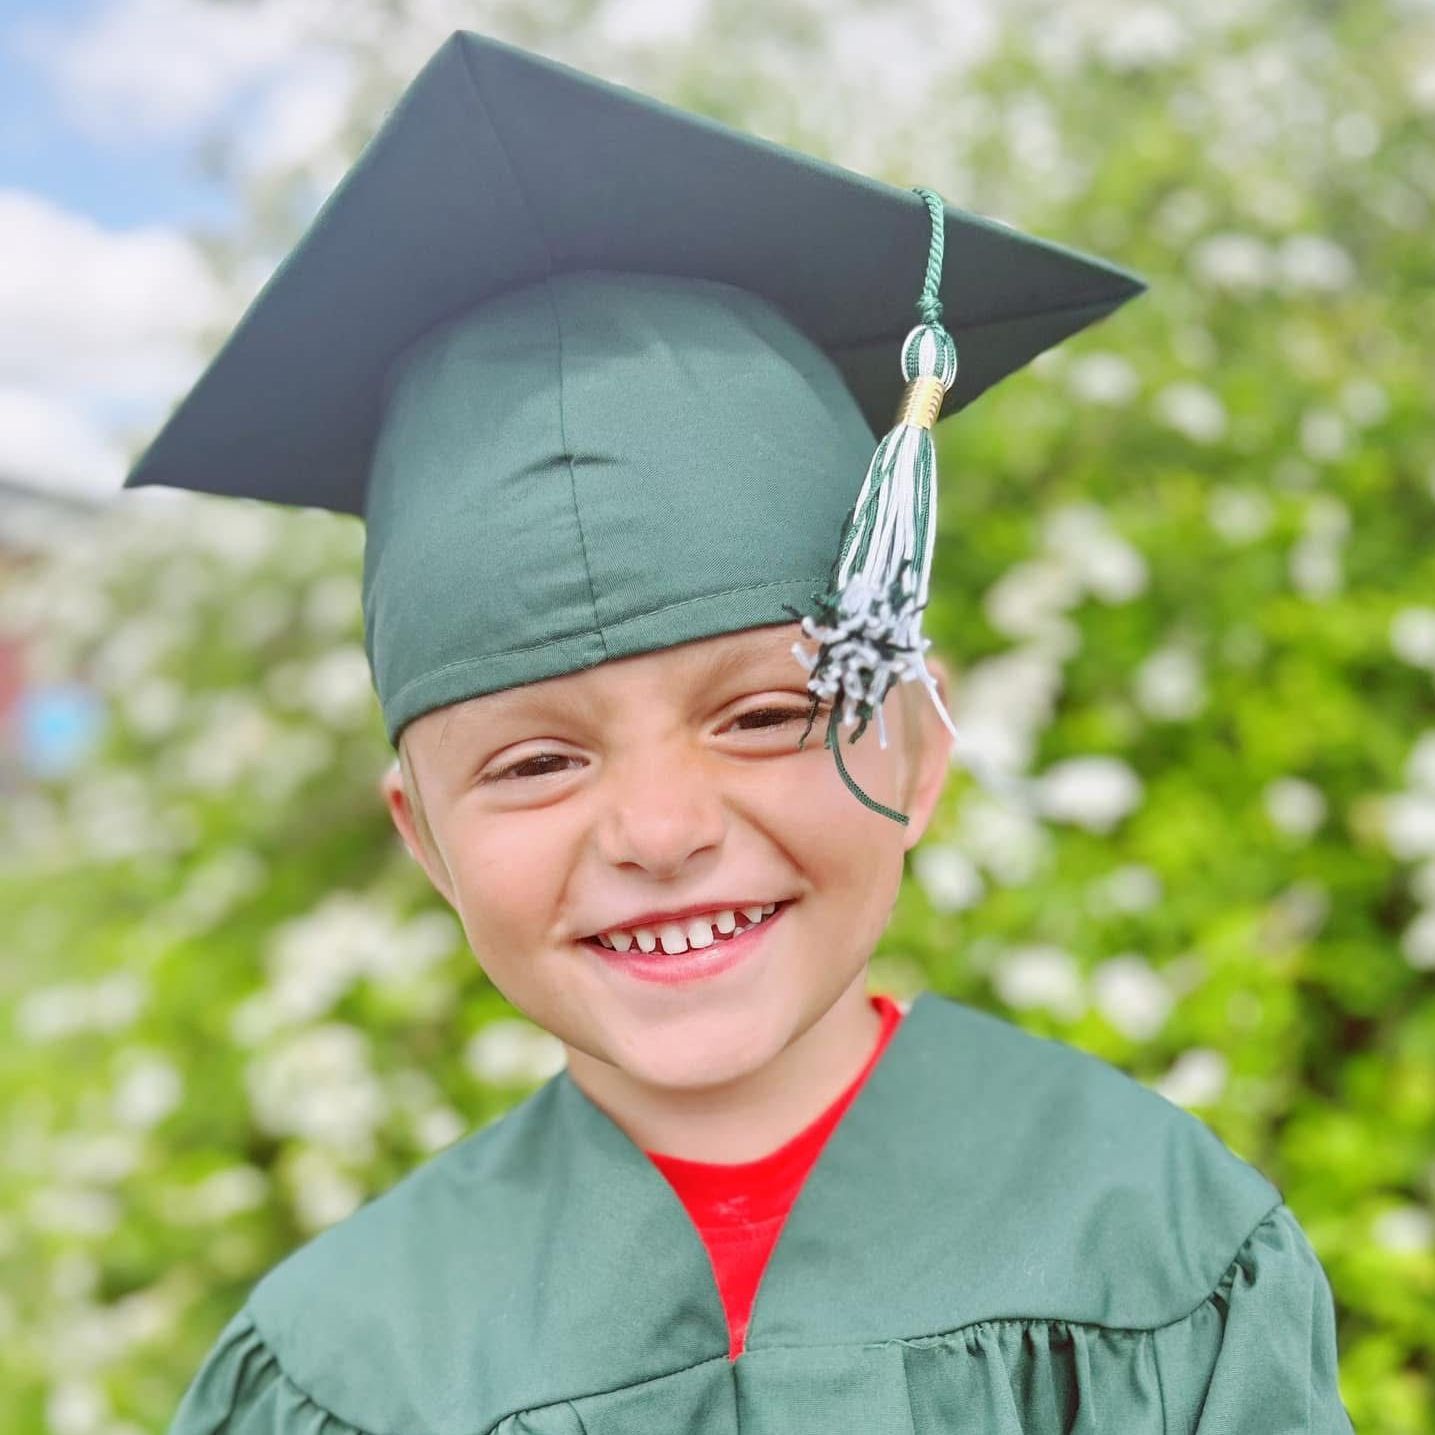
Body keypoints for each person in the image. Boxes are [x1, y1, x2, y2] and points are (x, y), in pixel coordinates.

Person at [126, 29, 1355, 1434]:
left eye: (767, 714)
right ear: (426, 842)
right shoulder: (334, 1372)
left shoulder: (1168, 1246)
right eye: (535, 760)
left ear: (921, 750)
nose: (660, 831)